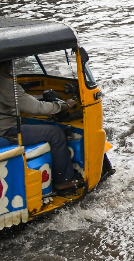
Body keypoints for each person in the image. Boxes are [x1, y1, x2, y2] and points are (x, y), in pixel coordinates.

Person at [0, 60, 80, 194]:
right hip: (6, 131)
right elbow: (35, 107)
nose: (11, 66)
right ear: (4, 64)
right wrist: (63, 106)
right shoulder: (4, 84)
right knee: (55, 133)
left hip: (5, 127)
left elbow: (23, 101)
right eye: (10, 63)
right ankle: (64, 182)